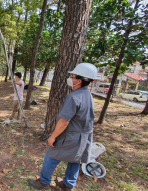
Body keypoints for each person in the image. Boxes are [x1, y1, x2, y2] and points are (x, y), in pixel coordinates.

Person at [27, 63, 98, 191]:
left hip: (71, 135)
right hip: (84, 136)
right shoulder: (89, 95)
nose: (71, 78)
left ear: (79, 81)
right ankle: (68, 185)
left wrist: (53, 137)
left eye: (73, 76)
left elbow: (64, 121)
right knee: (75, 160)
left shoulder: (73, 97)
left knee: (51, 156)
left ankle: (44, 182)